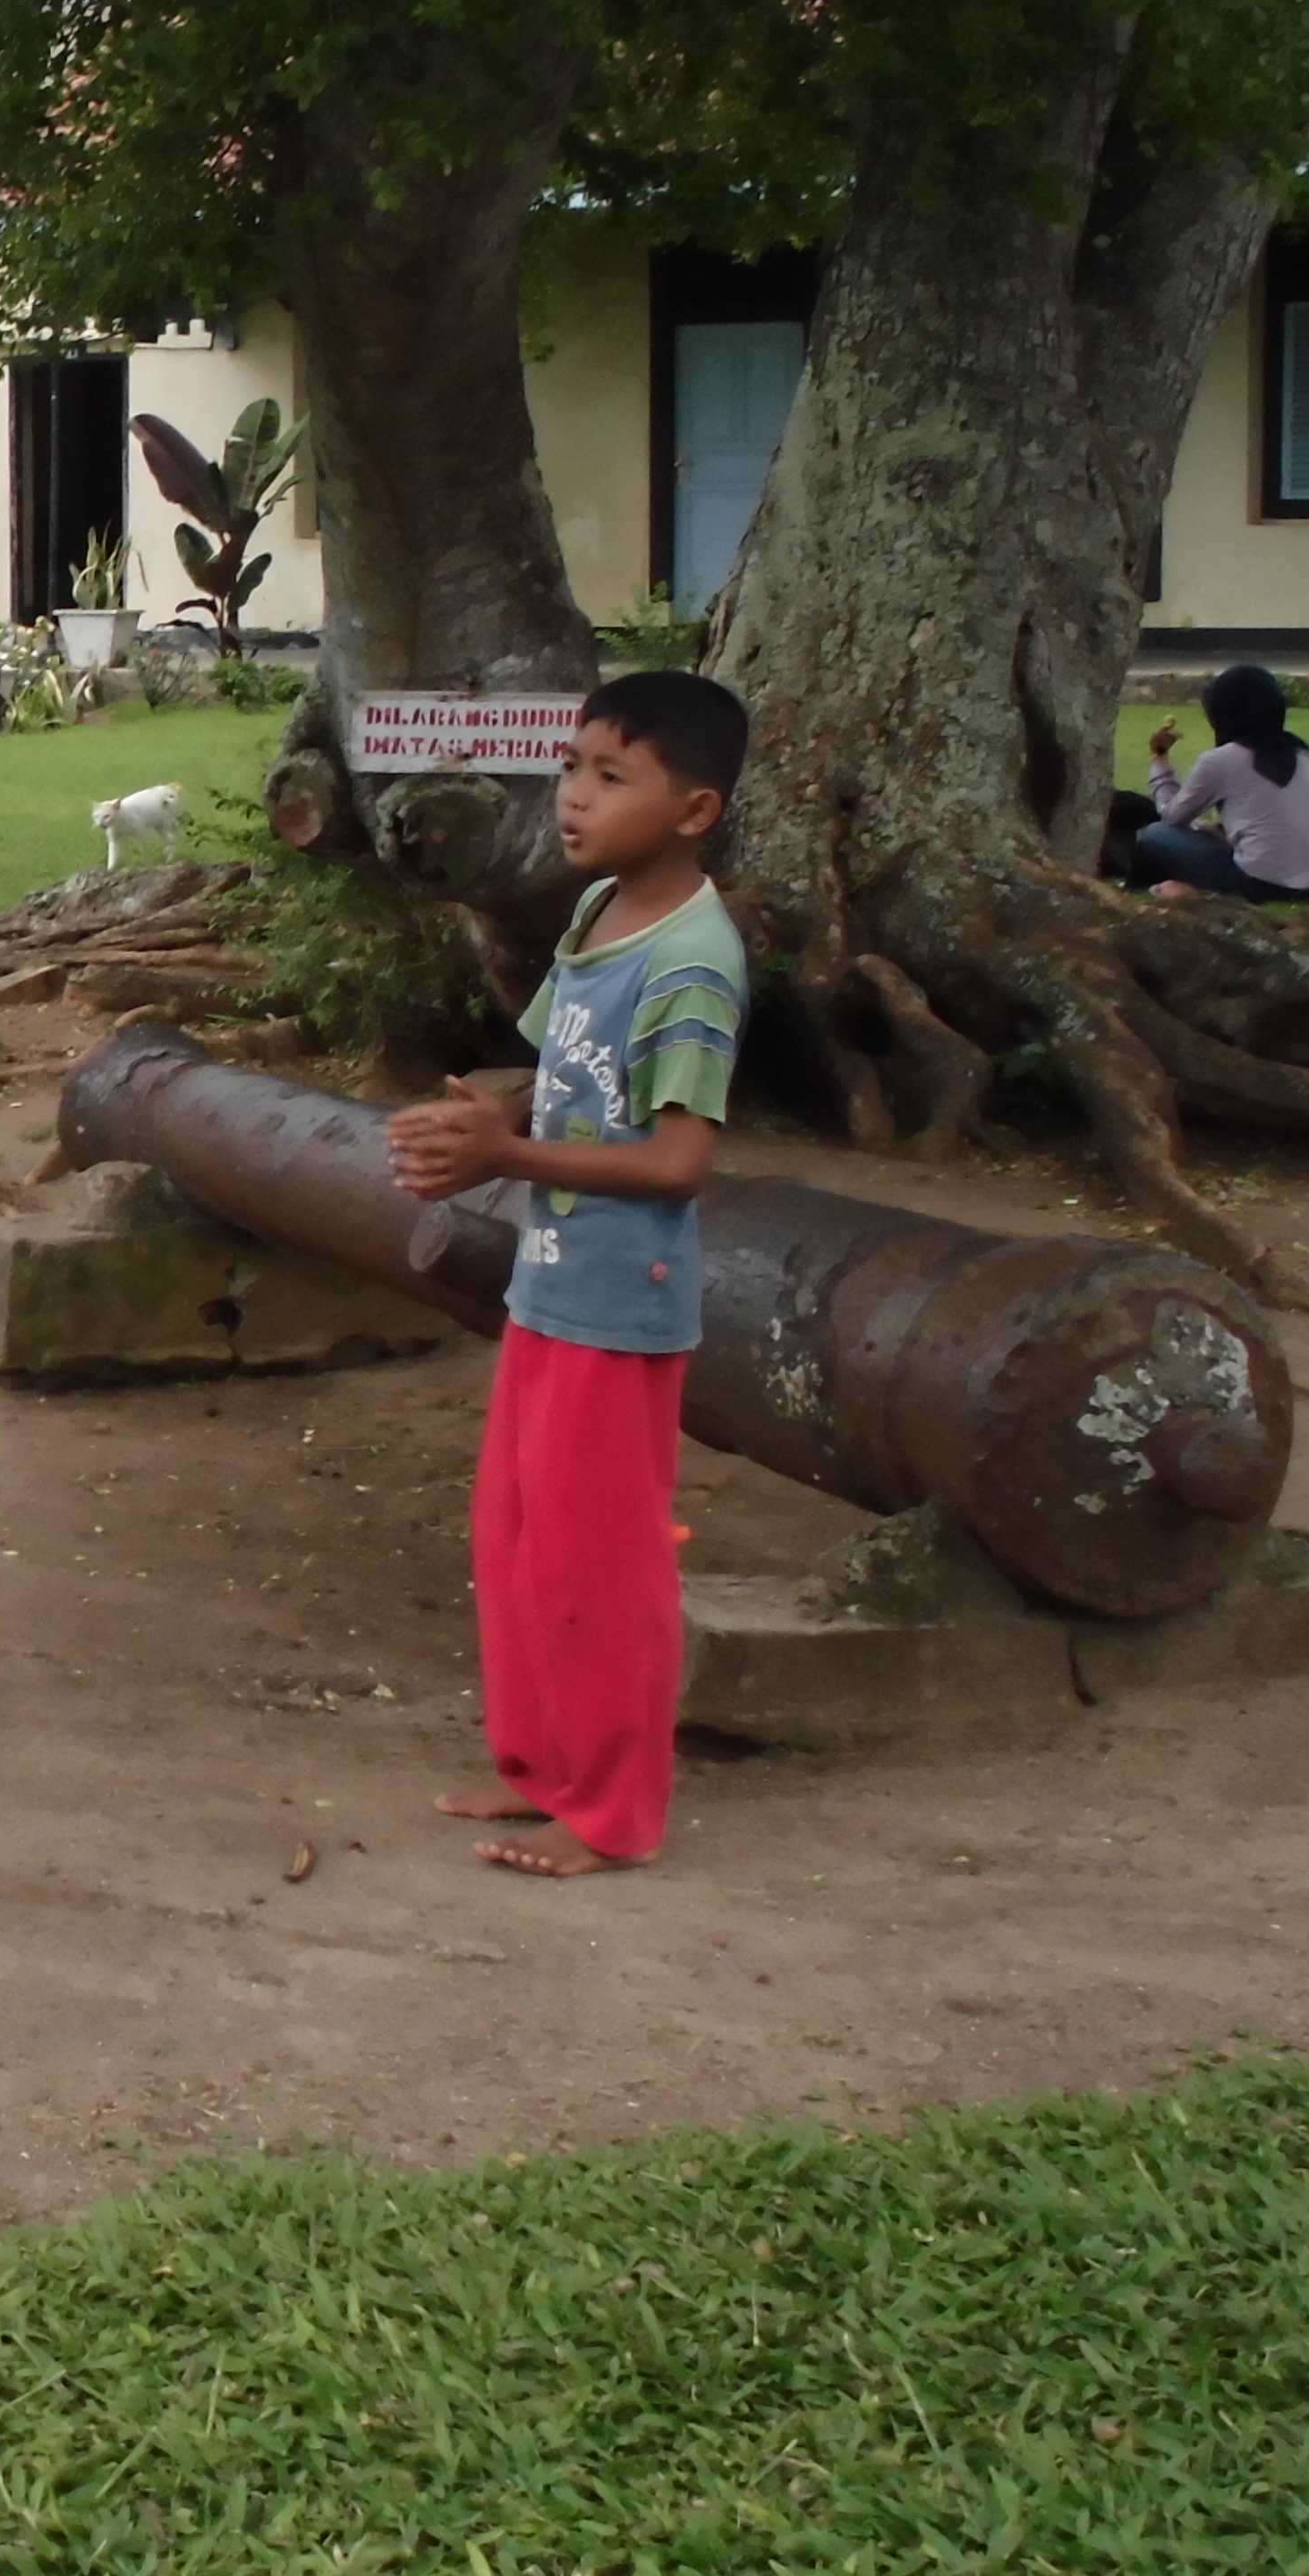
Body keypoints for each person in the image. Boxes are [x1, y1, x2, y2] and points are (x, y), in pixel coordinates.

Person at [384, 669, 752, 1881]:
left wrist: (508, 1150)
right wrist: (468, 1129)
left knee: (604, 1564)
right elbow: (552, 1080)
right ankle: (541, 1769)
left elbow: (680, 1158)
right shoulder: (597, 912)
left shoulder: (694, 962)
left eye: (610, 776)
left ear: (694, 811)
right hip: (549, 1283)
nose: (573, 797)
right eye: (571, 768)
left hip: (621, 1299)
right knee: (519, 1537)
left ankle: (615, 1811)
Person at [1138, 663, 1309, 904]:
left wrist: (1160, 759)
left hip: (1261, 885)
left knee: (1154, 834)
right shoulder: (1304, 752)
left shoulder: (1222, 760)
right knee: (1207, 832)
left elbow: (1171, 817)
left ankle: (1196, 894)